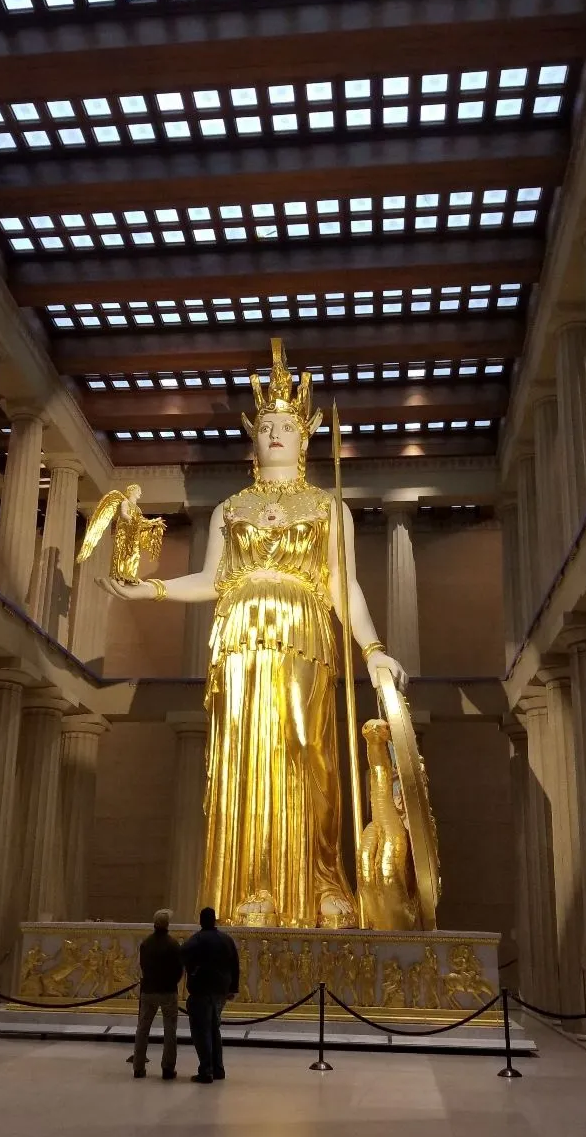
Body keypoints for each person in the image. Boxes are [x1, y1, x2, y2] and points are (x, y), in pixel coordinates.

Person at [100, 339, 406, 929]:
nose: (274, 433)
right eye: (265, 424)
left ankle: (321, 885)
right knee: (249, 757)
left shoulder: (326, 505)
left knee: (305, 749)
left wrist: (372, 649)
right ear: (254, 435)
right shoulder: (230, 509)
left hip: (304, 636)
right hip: (240, 641)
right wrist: (151, 590)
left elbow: (344, 585)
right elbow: (213, 579)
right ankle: (257, 888)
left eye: (285, 425)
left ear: (304, 434)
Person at [182, 908, 239, 1083]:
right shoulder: (226, 939)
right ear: (214, 920)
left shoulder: (197, 939)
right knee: (214, 1029)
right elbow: (235, 964)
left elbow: (182, 954)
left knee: (201, 1030)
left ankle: (206, 1070)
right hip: (220, 990)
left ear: (201, 921)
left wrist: (192, 972)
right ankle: (218, 1068)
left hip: (202, 989)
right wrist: (232, 988)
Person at [132, 909, 183, 1080]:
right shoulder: (173, 944)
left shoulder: (146, 943)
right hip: (168, 990)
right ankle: (168, 1068)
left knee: (143, 1029)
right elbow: (178, 970)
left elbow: (143, 965)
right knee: (170, 1030)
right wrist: (171, 982)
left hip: (149, 990)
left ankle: (138, 1067)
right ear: (167, 925)